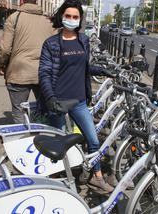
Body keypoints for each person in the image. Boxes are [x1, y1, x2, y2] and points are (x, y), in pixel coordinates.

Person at [38, 0, 115, 192]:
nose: (71, 20)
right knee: (59, 146)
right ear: (61, 16)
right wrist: (50, 98)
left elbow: (84, 67)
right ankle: (56, 179)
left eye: (75, 17)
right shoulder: (51, 44)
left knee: (93, 139)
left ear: (80, 19)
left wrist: (103, 71)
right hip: (58, 102)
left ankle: (96, 176)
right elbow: (44, 73)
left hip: (79, 100)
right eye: (68, 16)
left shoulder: (84, 40)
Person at [0, 0, 54, 124]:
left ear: (22, 1)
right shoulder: (49, 21)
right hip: (43, 73)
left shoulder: (14, 18)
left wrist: (1, 65)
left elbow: (5, 49)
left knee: (19, 111)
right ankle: (42, 139)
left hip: (19, 72)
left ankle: (22, 139)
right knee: (44, 110)